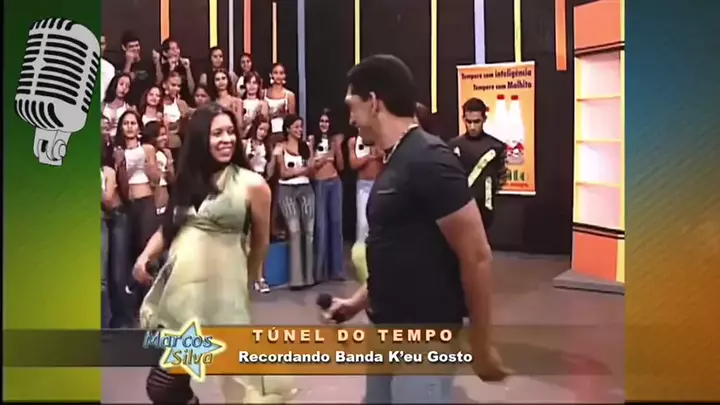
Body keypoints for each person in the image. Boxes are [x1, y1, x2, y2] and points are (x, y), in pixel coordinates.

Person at [323, 55, 509, 403]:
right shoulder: (396, 159)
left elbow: (477, 256)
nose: (350, 119)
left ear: (374, 102)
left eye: (352, 106)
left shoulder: (430, 159)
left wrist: (481, 344)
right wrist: (355, 303)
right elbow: (399, 254)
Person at [133, 104, 294, 404]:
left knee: (178, 382)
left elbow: (261, 242)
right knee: (164, 385)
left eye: (231, 132)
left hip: (220, 298)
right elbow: (169, 227)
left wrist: (246, 282)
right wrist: (145, 256)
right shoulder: (188, 180)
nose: (227, 139)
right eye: (217, 133)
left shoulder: (253, 184)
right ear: (200, 139)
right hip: (179, 294)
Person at [448, 98, 508, 231]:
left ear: (484, 119)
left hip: (486, 208)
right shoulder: (453, 145)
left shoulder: (496, 147)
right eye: (468, 121)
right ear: (463, 119)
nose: (472, 126)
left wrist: (490, 190)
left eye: (476, 121)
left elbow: (502, 177)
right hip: (460, 207)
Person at [275, 115, 320, 289]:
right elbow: (283, 173)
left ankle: (309, 277)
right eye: (296, 127)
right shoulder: (280, 147)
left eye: (301, 126)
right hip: (287, 191)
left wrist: (299, 170)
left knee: (308, 232)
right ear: (288, 129)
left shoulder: (305, 147)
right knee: (294, 230)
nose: (300, 130)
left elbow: (312, 171)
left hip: (306, 189)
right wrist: (302, 170)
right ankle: (296, 279)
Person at [309, 109, 345, 282]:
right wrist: (324, 159)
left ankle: (337, 270)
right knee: (321, 227)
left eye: (327, 121)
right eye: (322, 121)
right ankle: (320, 271)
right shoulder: (312, 140)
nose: (324, 124)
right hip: (320, 183)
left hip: (335, 182)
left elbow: (341, 166)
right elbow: (311, 166)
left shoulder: (334, 140)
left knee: (336, 225)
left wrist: (336, 149)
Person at [141, 121, 175, 219]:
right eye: (162, 135)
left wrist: (169, 162)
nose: (165, 138)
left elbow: (172, 180)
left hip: (165, 202)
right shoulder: (144, 152)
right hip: (150, 202)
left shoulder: (165, 153)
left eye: (165, 134)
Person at [115, 31, 155, 107]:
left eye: (137, 45)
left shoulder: (148, 63)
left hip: (144, 104)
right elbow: (121, 84)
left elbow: (155, 83)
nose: (135, 49)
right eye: (131, 46)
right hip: (125, 104)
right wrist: (128, 63)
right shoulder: (119, 65)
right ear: (124, 47)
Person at [265, 63, 296, 146]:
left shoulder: (289, 95)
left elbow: (292, 120)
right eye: (275, 73)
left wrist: (282, 114)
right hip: (266, 133)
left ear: (285, 75)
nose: (278, 76)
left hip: (282, 134)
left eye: (281, 73)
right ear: (270, 75)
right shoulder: (263, 93)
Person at [102, 73, 132, 141]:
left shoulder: (129, 109)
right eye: (121, 84)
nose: (124, 88)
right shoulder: (102, 106)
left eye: (127, 86)